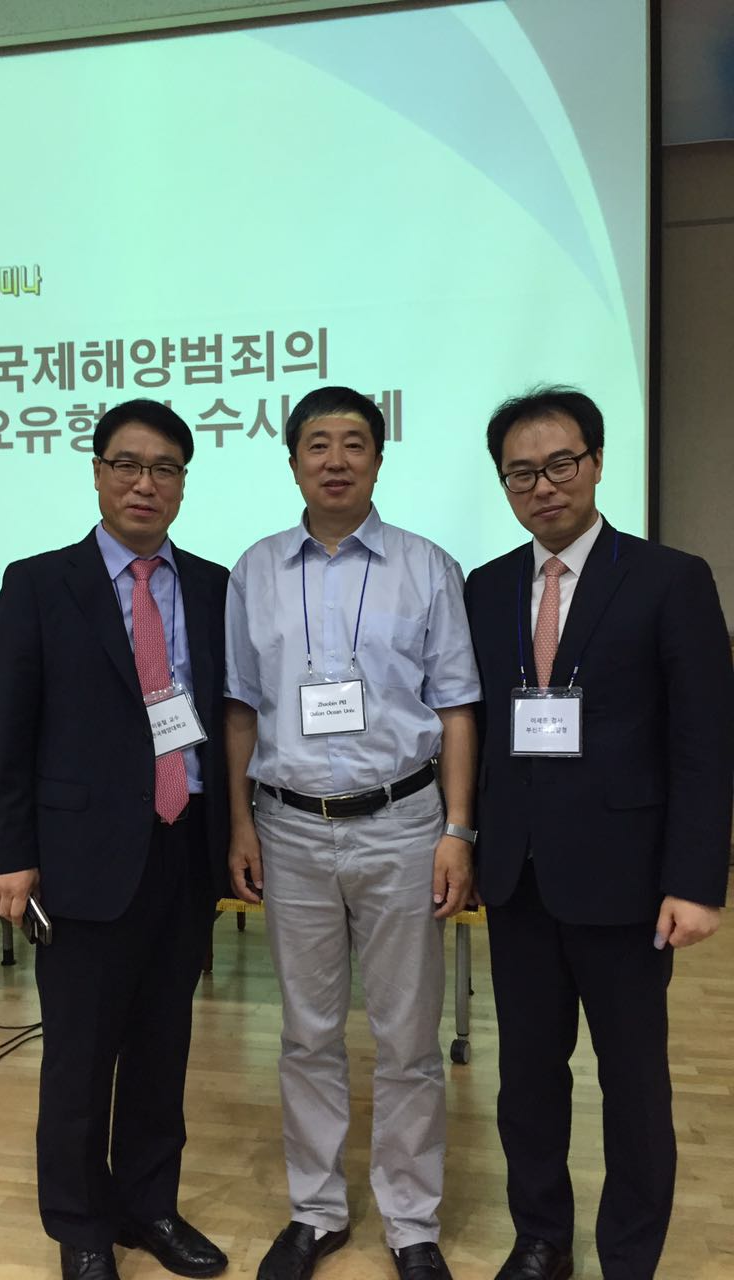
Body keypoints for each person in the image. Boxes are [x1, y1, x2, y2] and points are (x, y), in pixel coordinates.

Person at [464, 386, 733, 1280]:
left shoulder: (670, 578)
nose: (542, 487)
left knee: (635, 1086)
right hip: (519, 878)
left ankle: (628, 1256)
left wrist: (696, 880)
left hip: (628, 882)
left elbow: (704, 743)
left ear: (597, 462)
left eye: (560, 465)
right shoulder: (487, 586)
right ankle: (540, 1238)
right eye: (521, 474)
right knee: (527, 1080)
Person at [225, 386, 480, 1280]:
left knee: (410, 1039)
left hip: (404, 826)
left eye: (355, 443)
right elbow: (242, 709)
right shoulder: (254, 570)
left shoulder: (427, 567)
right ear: (293, 459)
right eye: (318, 444)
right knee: (307, 1034)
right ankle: (317, 1210)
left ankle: (411, 1222)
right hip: (289, 829)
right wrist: (240, 824)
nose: (336, 460)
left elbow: (456, 707)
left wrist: (457, 829)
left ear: (378, 457)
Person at [0, 399, 230, 1280]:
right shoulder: (38, 583)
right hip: (81, 860)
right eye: (127, 464)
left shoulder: (212, 585)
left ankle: (149, 1207)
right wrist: (11, 854)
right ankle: (82, 1227)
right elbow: (7, 731)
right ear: (97, 473)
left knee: (164, 1049)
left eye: (165, 468)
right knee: (81, 1061)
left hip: (184, 848)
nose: (144, 483)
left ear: (183, 483)